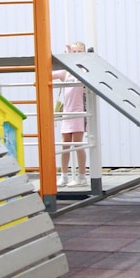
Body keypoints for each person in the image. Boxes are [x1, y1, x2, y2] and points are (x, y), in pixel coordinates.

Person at [53, 42, 88, 188]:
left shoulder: (83, 70)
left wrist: (70, 57)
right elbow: (48, 74)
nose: (76, 54)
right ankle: (64, 176)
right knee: (65, 144)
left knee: (78, 144)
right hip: (67, 112)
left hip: (78, 112)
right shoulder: (65, 72)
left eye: (79, 51)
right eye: (73, 51)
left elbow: (81, 71)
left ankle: (81, 176)